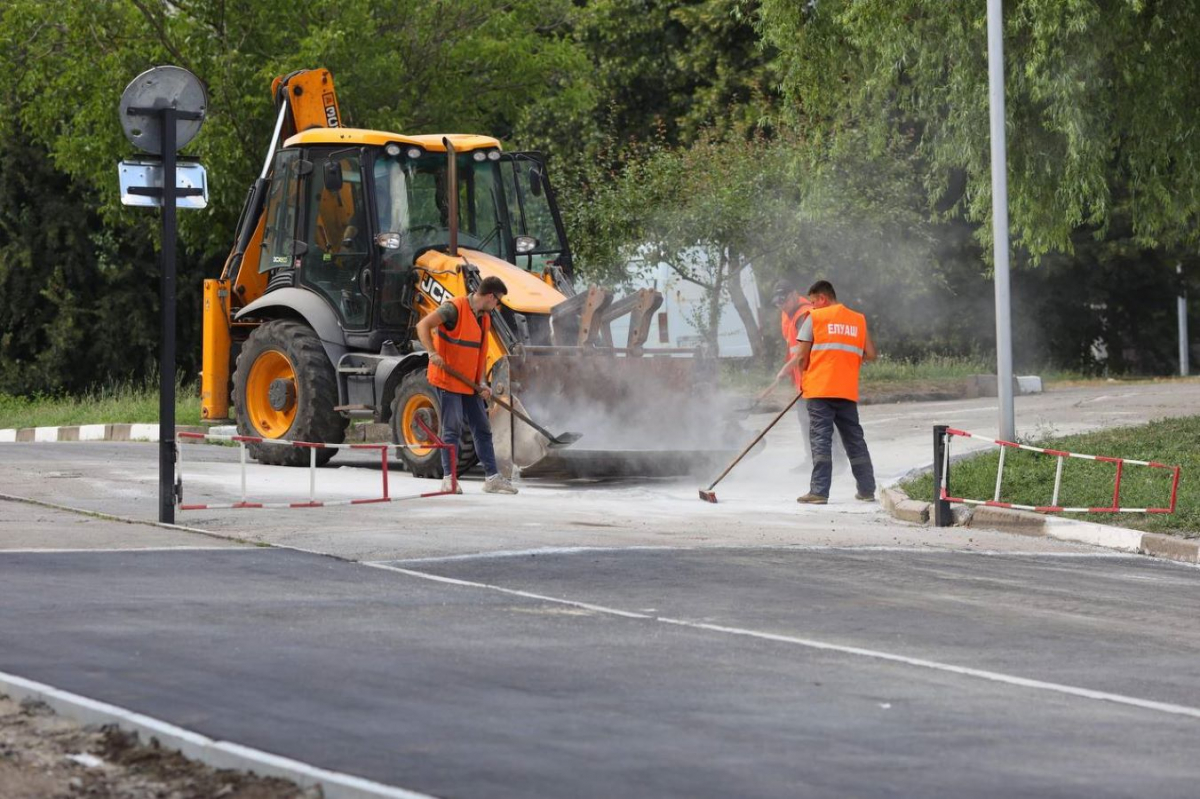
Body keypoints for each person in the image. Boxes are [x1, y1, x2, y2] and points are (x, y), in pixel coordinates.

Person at [415, 275, 518, 495]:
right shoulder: (453, 309)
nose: (497, 305)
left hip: (469, 383)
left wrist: (482, 382)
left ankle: (492, 478)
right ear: (490, 296)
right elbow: (423, 325)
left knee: (482, 428)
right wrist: (432, 353)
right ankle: (449, 479)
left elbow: (478, 353)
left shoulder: (484, 317)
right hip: (448, 379)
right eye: (497, 301)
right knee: (452, 429)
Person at [781, 280, 877, 504]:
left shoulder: (814, 318)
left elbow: (802, 357)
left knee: (821, 440)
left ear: (822, 299)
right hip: (845, 390)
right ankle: (866, 489)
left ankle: (819, 492)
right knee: (855, 440)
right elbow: (870, 354)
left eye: (814, 302)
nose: (812, 306)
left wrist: (804, 378)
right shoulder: (858, 320)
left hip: (819, 390)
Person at [760, 278, 844, 473]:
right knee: (806, 421)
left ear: (793, 294)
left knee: (822, 421)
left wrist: (785, 370)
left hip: (816, 377)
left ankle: (837, 460)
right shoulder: (788, 314)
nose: (781, 305)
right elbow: (793, 349)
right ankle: (812, 460)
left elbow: (805, 352)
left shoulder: (805, 315)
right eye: (777, 302)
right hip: (803, 378)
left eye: (783, 300)